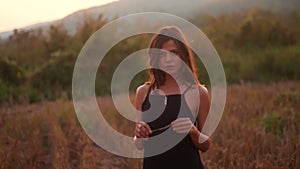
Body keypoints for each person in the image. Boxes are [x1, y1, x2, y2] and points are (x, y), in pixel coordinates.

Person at [133, 26, 211, 169]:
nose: (168, 59)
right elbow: (138, 145)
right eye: (162, 54)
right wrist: (139, 134)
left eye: (174, 53)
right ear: (155, 58)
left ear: (183, 56)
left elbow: (205, 145)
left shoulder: (199, 93)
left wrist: (193, 131)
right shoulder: (143, 92)